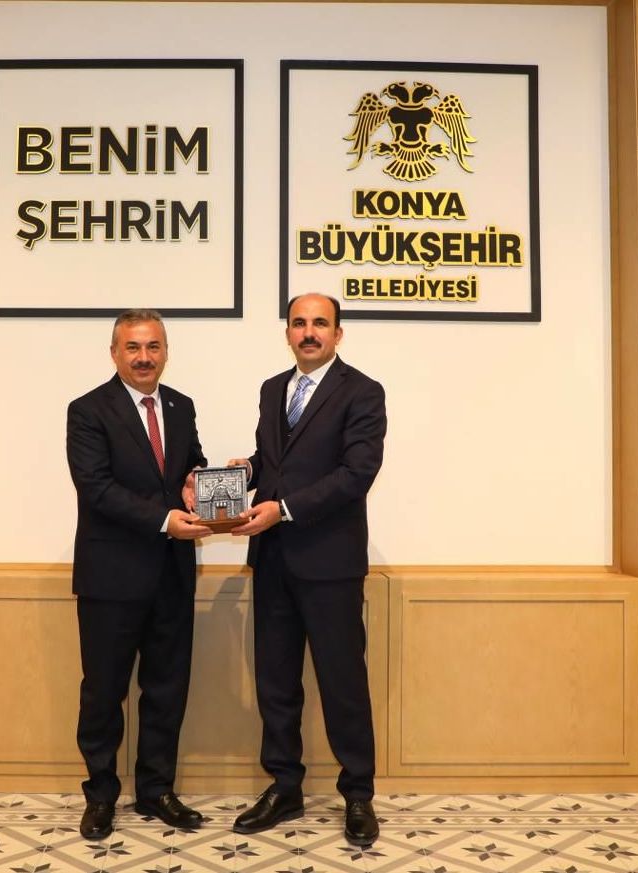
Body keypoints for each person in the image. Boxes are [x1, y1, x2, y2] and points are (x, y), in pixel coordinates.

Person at [229, 293, 386, 847]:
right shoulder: (274, 389)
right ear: (288, 333)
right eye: (299, 323)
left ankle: (358, 794)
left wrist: (285, 508)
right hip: (273, 560)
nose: (309, 332)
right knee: (276, 682)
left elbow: (357, 473)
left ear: (338, 334)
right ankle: (285, 787)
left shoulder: (363, 392)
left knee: (343, 684)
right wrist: (247, 471)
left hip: (330, 564)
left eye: (320, 323)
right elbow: (275, 461)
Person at [66, 308, 212, 841]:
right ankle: (101, 795)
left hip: (172, 575)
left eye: (153, 346)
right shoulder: (87, 410)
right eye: (133, 347)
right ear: (114, 353)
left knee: (167, 689)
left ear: (165, 352)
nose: (144, 357)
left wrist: (199, 483)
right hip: (111, 578)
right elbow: (96, 487)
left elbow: (190, 464)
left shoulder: (181, 405)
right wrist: (165, 519)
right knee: (103, 694)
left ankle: (156, 790)